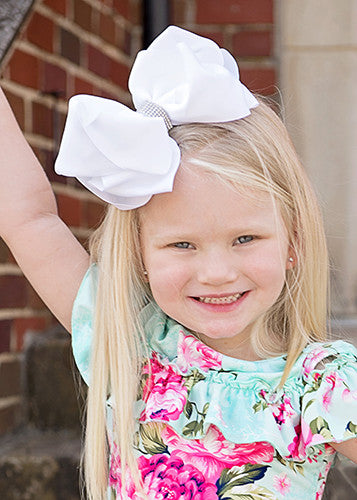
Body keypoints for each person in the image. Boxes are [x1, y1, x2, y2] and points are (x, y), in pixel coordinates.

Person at [0, 26, 356, 500]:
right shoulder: (131, 343)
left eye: (245, 238)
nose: (216, 272)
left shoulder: (324, 383)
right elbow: (29, 219)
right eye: (182, 245)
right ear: (141, 256)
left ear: (293, 242)